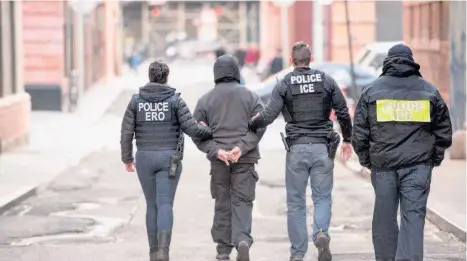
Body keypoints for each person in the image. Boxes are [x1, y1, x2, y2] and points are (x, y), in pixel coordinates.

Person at [249, 41, 353, 261]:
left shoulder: (284, 83)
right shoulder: (326, 80)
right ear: (311, 59)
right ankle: (321, 233)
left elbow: (268, 116)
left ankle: (298, 254)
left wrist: (250, 124)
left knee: (296, 203)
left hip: (296, 149)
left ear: (291, 61)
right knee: (322, 197)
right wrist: (347, 140)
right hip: (323, 148)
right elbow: (343, 111)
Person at [352, 44, 453, 261]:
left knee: (384, 218)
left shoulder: (372, 91)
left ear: (387, 62)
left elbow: (359, 132)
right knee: (413, 218)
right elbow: (443, 130)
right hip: (418, 165)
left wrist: (368, 160)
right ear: (411, 61)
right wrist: (434, 158)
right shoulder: (428, 91)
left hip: (383, 167)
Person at [120, 60, 212, 261]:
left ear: (149, 77)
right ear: (166, 77)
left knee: (151, 204)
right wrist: (210, 130)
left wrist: (127, 158)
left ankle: (153, 252)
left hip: (144, 157)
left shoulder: (136, 101)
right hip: (169, 158)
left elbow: (126, 132)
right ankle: (163, 251)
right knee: (165, 204)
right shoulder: (175, 101)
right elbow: (193, 129)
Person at [192, 54, 266, 261]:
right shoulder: (250, 97)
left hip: (219, 162)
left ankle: (223, 249)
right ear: (236, 71)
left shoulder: (205, 100)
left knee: (223, 202)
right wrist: (241, 148)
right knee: (242, 201)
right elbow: (260, 126)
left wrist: (217, 151)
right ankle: (242, 240)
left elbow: (196, 132)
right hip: (245, 159)